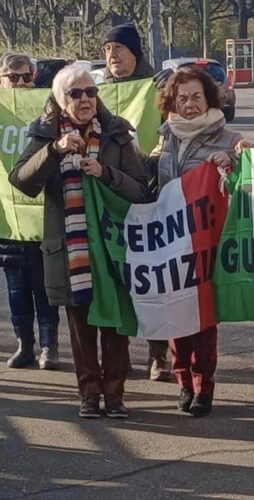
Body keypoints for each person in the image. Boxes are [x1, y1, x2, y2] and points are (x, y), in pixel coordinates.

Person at [9, 64, 149, 418]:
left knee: (116, 324)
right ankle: (89, 393)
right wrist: (55, 150)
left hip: (113, 247)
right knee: (81, 324)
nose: (86, 99)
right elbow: (22, 179)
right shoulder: (46, 134)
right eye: (76, 93)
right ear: (60, 99)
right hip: (71, 250)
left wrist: (106, 173)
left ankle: (115, 394)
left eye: (91, 91)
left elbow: (141, 191)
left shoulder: (117, 133)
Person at [149, 67, 243, 416]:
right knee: (176, 315)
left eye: (196, 97)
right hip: (171, 241)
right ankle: (183, 381)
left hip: (207, 241)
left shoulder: (228, 138)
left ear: (209, 99)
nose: (188, 105)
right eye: (181, 98)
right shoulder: (165, 138)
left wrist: (231, 162)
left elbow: (245, 180)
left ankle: (204, 386)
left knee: (203, 319)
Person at [101, 21, 169, 382]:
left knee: (152, 279)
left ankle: (159, 355)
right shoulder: (96, 92)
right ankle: (119, 354)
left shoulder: (155, 88)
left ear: (135, 52)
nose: (113, 56)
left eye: (119, 49)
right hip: (110, 194)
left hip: (150, 192)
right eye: (108, 51)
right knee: (116, 278)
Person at [0, 53, 60, 370]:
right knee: (16, 289)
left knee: (45, 287)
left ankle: (50, 347)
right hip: (8, 221)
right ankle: (25, 344)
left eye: (26, 77)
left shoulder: (45, 107)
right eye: (14, 77)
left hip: (43, 217)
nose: (21, 83)